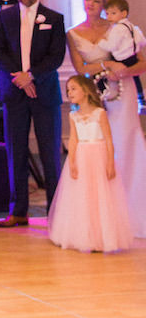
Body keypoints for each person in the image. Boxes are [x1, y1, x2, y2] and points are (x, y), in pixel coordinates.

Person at [0, 0, 65, 228]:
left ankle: (55, 211)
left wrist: (31, 76)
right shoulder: (4, 17)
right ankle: (18, 211)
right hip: (14, 92)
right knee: (16, 152)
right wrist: (20, 78)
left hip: (44, 93)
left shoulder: (54, 18)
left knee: (49, 153)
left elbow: (56, 56)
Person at [48, 75, 132, 253]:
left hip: (98, 156)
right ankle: (83, 235)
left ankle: (102, 236)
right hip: (82, 157)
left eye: (73, 88)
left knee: (100, 194)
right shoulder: (73, 115)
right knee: (83, 195)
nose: (69, 92)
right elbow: (73, 139)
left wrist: (110, 162)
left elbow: (109, 139)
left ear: (86, 91)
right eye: (68, 89)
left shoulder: (99, 113)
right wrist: (71, 161)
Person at [100, 0, 146, 237]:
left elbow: (141, 61)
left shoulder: (119, 30)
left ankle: (131, 193)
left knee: (126, 133)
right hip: (103, 87)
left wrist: (120, 69)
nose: (109, 15)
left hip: (122, 85)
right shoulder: (129, 29)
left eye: (112, 11)